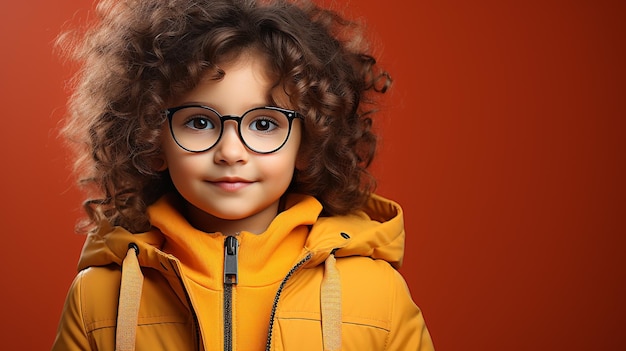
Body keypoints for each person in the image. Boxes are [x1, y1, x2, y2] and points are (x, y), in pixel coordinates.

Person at [52, 0, 434, 350]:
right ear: (153, 141)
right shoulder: (99, 299)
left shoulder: (377, 295)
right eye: (200, 122)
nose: (231, 152)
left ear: (307, 144)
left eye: (265, 124)